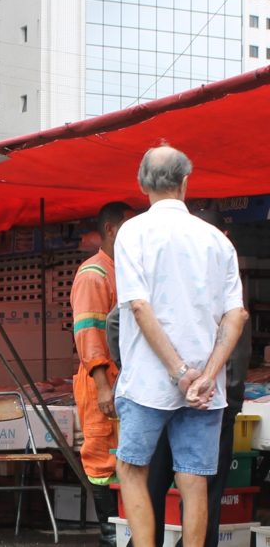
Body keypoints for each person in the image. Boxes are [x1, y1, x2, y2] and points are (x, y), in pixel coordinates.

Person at [114, 145, 248, 547]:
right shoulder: (216, 241)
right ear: (186, 183)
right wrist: (205, 376)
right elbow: (236, 315)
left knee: (131, 469)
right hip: (205, 392)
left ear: (141, 184)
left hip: (148, 383)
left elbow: (139, 306)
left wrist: (177, 371)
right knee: (195, 481)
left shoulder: (132, 232)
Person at [70, 202, 132, 547]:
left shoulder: (122, 270)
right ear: (111, 229)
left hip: (122, 379)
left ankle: (123, 533)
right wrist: (103, 385)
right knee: (101, 458)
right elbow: (89, 333)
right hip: (102, 380)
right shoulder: (95, 274)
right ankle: (110, 535)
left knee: (125, 456)